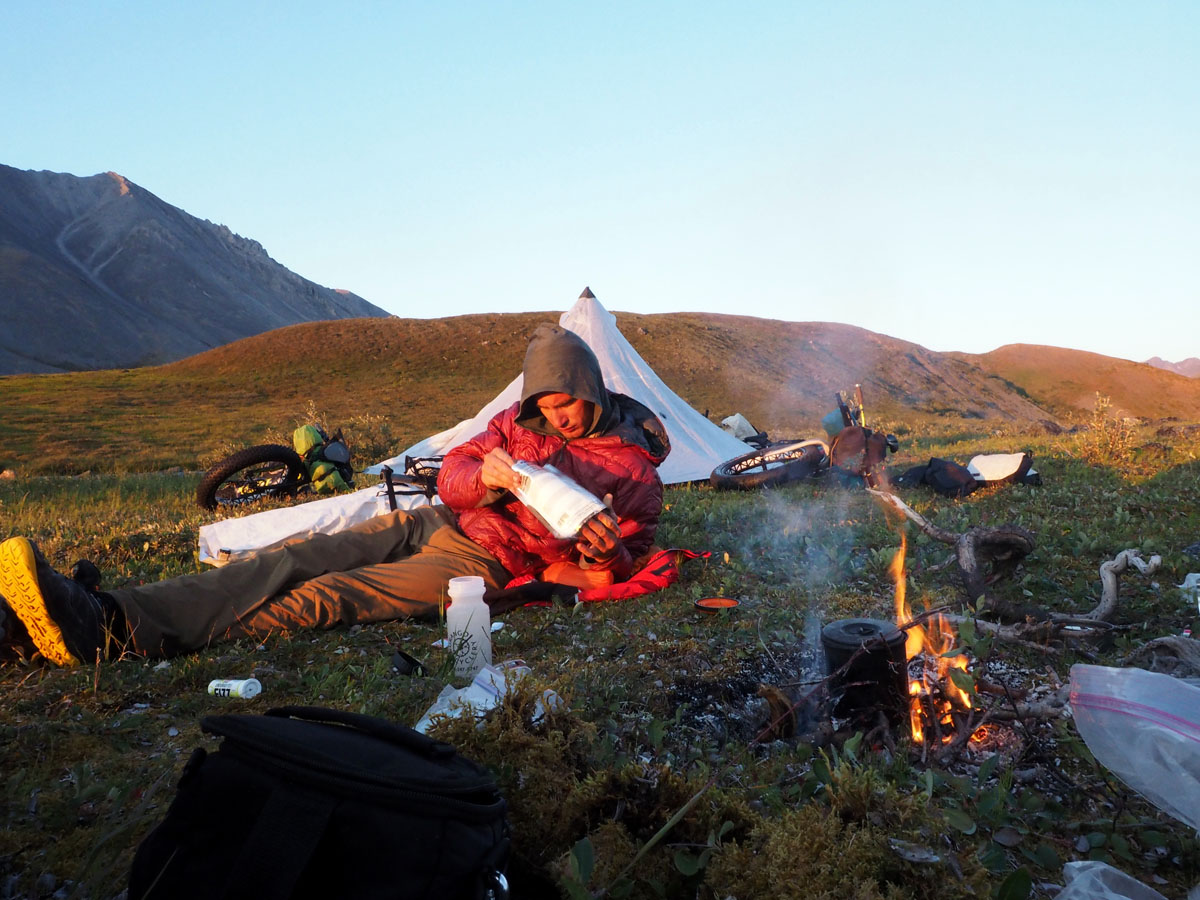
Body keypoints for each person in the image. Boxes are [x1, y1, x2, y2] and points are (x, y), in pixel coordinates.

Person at [0, 324, 670, 665]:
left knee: (329, 596)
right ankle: (101, 607)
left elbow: (594, 575)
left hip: (487, 566)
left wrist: (604, 558)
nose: (560, 417)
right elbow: (450, 477)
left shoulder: (636, 475)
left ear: (591, 388)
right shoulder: (514, 426)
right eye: (547, 405)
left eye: (569, 403)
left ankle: (114, 637)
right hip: (444, 521)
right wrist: (486, 479)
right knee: (288, 556)